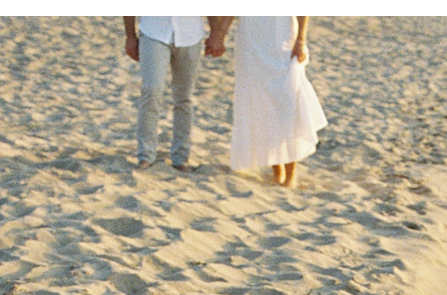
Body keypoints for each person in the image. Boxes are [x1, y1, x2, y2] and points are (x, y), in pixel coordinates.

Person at [228, 17, 328, 186]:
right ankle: (277, 170)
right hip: (252, 38)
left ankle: (290, 174)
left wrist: (301, 40)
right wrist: (218, 34)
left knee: (288, 101)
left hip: (284, 37)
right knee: (263, 101)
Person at [123, 16, 212, 169]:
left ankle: (180, 158)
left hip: (190, 35)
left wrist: (217, 33)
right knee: (152, 90)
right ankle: (145, 155)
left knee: (184, 98)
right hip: (153, 31)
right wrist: (130, 36)